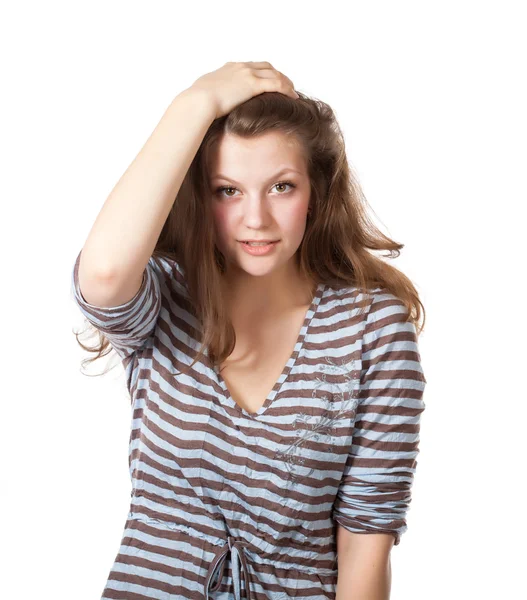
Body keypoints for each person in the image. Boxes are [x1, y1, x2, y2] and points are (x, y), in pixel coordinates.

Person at [71, 61, 427, 600]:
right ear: (199, 197)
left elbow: (364, 543)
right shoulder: (166, 297)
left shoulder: (372, 329)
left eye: (281, 187)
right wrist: (195, 103)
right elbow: (102, 276)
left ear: (318, 192)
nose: (255, 218)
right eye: (227, 191)